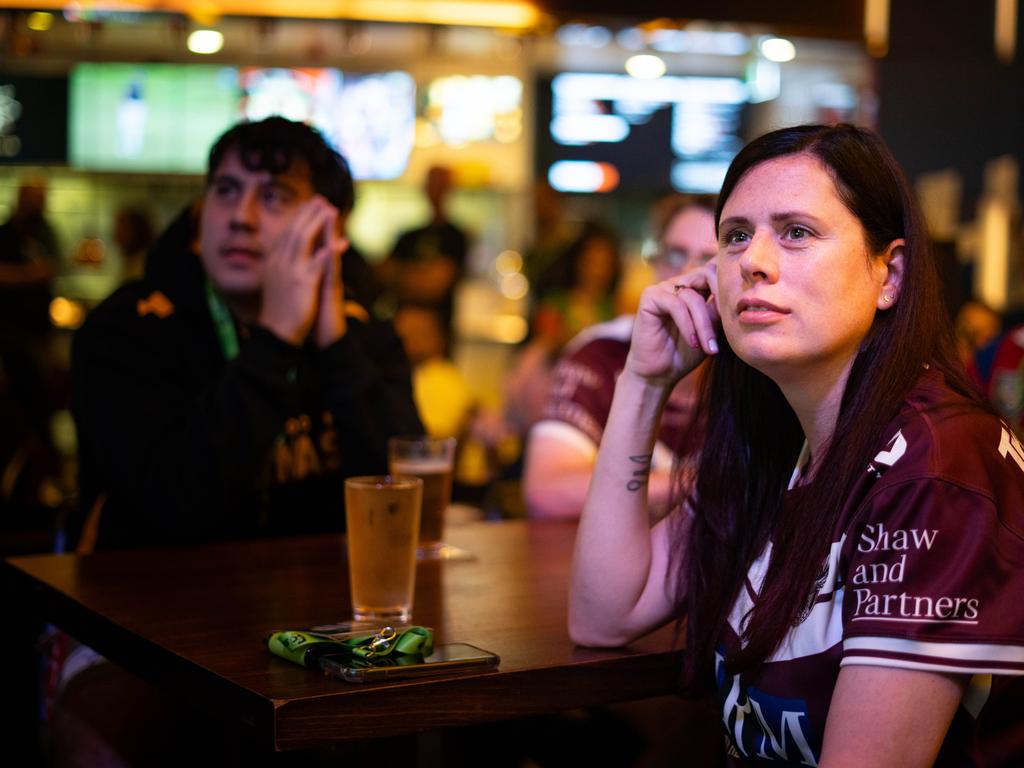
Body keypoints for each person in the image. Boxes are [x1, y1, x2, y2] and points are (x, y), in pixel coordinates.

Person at [569, 124, 1024, 766]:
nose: (754, 260)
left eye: (797, 232)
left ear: (888, 274)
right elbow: (603, 615)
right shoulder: (781, 441)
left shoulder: (937, 465)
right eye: (736, 236)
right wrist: (643, 382)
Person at [67, 116, 422, 552]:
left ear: (329, 229)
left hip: (323, 618)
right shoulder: (126, 331)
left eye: (273, 196)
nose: (241, 217)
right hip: (156, 613)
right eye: (226, 190)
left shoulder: (365, 335)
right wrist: (275, 341)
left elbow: (405, 508)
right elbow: (171, 507)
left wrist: (336, 346)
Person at [523, 196, 717, 520]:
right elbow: (545, 491)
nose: (687, 274)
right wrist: (701, 484)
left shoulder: (760, 362)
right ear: (654, 262)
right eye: (675, 254)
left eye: (710, 260)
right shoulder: (604, 352)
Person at [377, 164, 468, 345]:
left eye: (441, 185)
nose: (436, 191)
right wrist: (420, 275)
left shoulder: (455, 237)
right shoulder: (409, 236)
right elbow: (382, 273)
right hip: (402, 333)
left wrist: (403, 274)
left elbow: (435, 285)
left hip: (438, 336)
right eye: (432, 184)